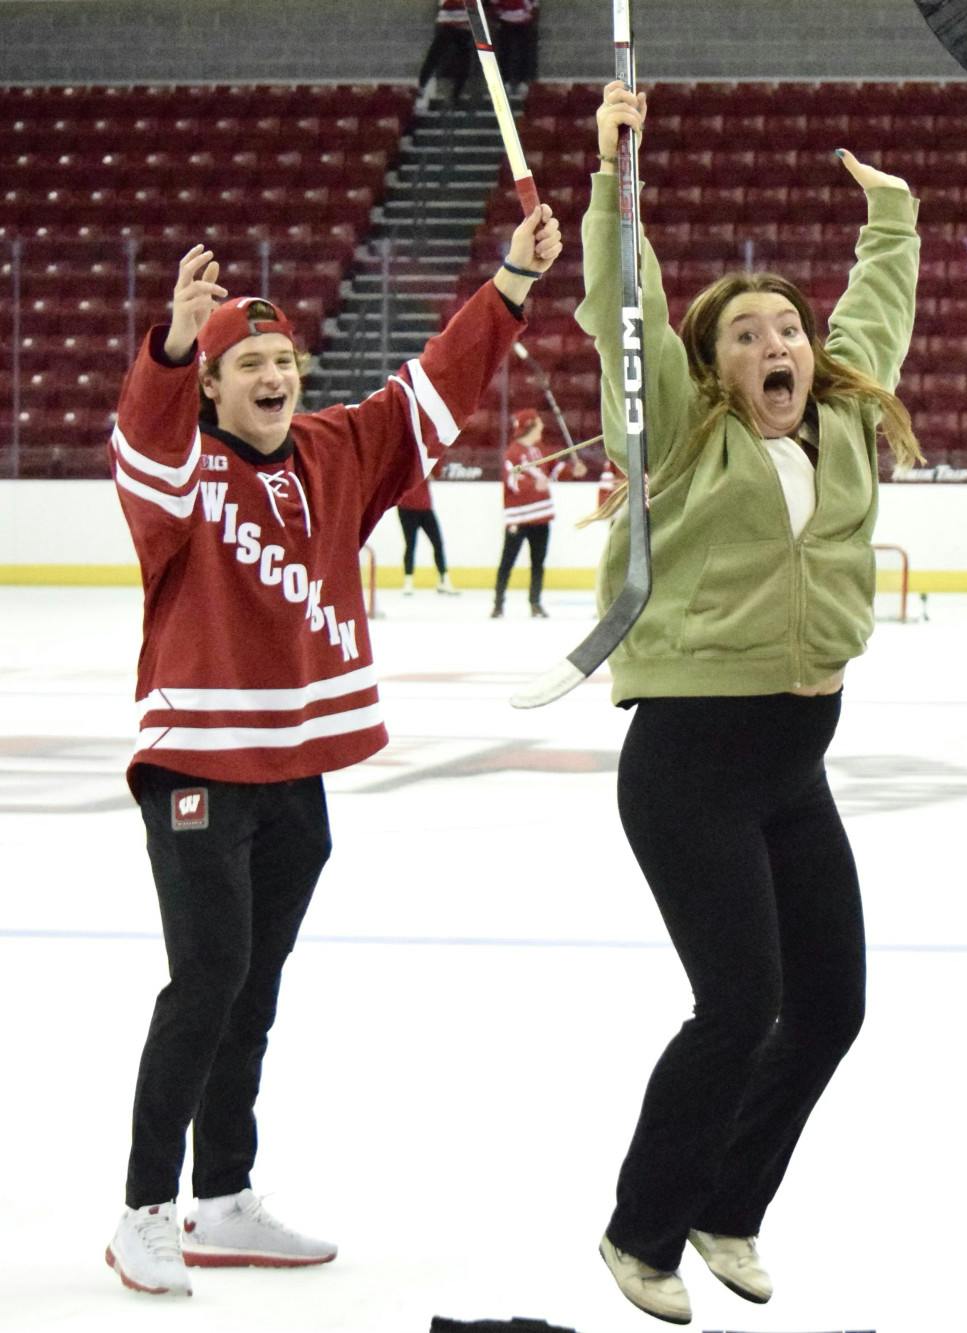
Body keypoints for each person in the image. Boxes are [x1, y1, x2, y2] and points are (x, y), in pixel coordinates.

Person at [103, 205, 560, 1296]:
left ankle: (223, 1197)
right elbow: (144, 445)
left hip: (294, 768)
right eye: (249, 365)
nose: (274, 376)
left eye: (284, 361)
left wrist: (508, 282)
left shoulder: (335, 451)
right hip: (198, 766)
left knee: (251, 989)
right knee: (206, 980)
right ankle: (143, 1209)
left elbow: (432, 390)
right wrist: (173, 345)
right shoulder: (179, 475)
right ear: (213, 388)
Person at [578, 82, 922, 1326]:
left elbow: (873, 316)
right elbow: (626, 313)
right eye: (743, 333)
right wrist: (616, 181)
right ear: (708, 364)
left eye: (787, 328)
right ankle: (639, 1231)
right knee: (737, 1006)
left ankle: (727, 1206)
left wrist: (891, 220)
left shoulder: (838, 421)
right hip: (690, 764)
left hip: (792, 759)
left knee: (829, 1007)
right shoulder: (675, 434)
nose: (775, 343)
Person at [493, 407, 584, 618]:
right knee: (507, 561)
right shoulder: (512, 453)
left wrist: (573, 470)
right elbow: (512, 481)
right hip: (518, 518)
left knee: (538, 563)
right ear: (530, 426)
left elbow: (554, 469)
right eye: (539, 423)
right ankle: (498, 604)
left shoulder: (540, 449)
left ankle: (535, 603)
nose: (542, 426)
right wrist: (533, 485)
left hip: (541, 515)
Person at [395, 473, 457, 595]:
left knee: (438, 543)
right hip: (406, 509)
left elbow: (435, 474)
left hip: (425, 508)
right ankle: (408, 581)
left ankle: (443, 579)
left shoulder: (423, 465)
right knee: (410, 544)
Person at [416, 0, 474, 109]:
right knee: (435, 56)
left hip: (462, 27)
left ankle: (455, 95)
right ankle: (422, 86)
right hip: (450, 25)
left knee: (464, 62)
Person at [493, 0, 539, 95]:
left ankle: (523, 81)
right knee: (505, 52)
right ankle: (506, 81)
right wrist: (499, 15)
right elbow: (494, 5)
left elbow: (534, 5)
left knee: (525, 52)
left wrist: (531, 14)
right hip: (505, 22)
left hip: (525, 22)